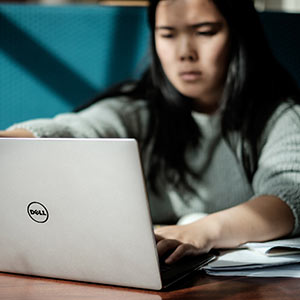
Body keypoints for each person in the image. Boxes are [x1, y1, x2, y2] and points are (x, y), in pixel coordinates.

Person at [1, 0, 300, 265]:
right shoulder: (138, 109)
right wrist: (9, 142)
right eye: (168, 34)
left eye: (206, 31)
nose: (185, 52)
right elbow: (75, 128)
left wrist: (202, 231)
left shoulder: (281, 116)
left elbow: (287, 196)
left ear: (239, 34)